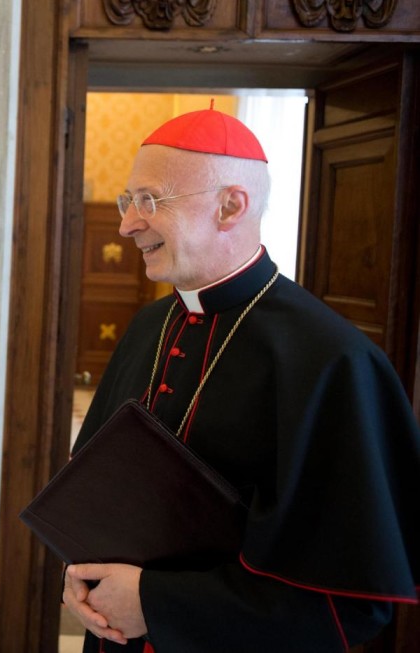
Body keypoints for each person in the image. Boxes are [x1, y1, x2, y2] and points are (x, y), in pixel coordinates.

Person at [61, 107, 420, 652]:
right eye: (127, 201)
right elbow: (99, 493)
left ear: (231, 206)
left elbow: (351, 602)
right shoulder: (149, 326)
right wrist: (82, 570)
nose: (128, 223)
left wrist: (157, 603)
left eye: (149, 201)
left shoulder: (333, 360)